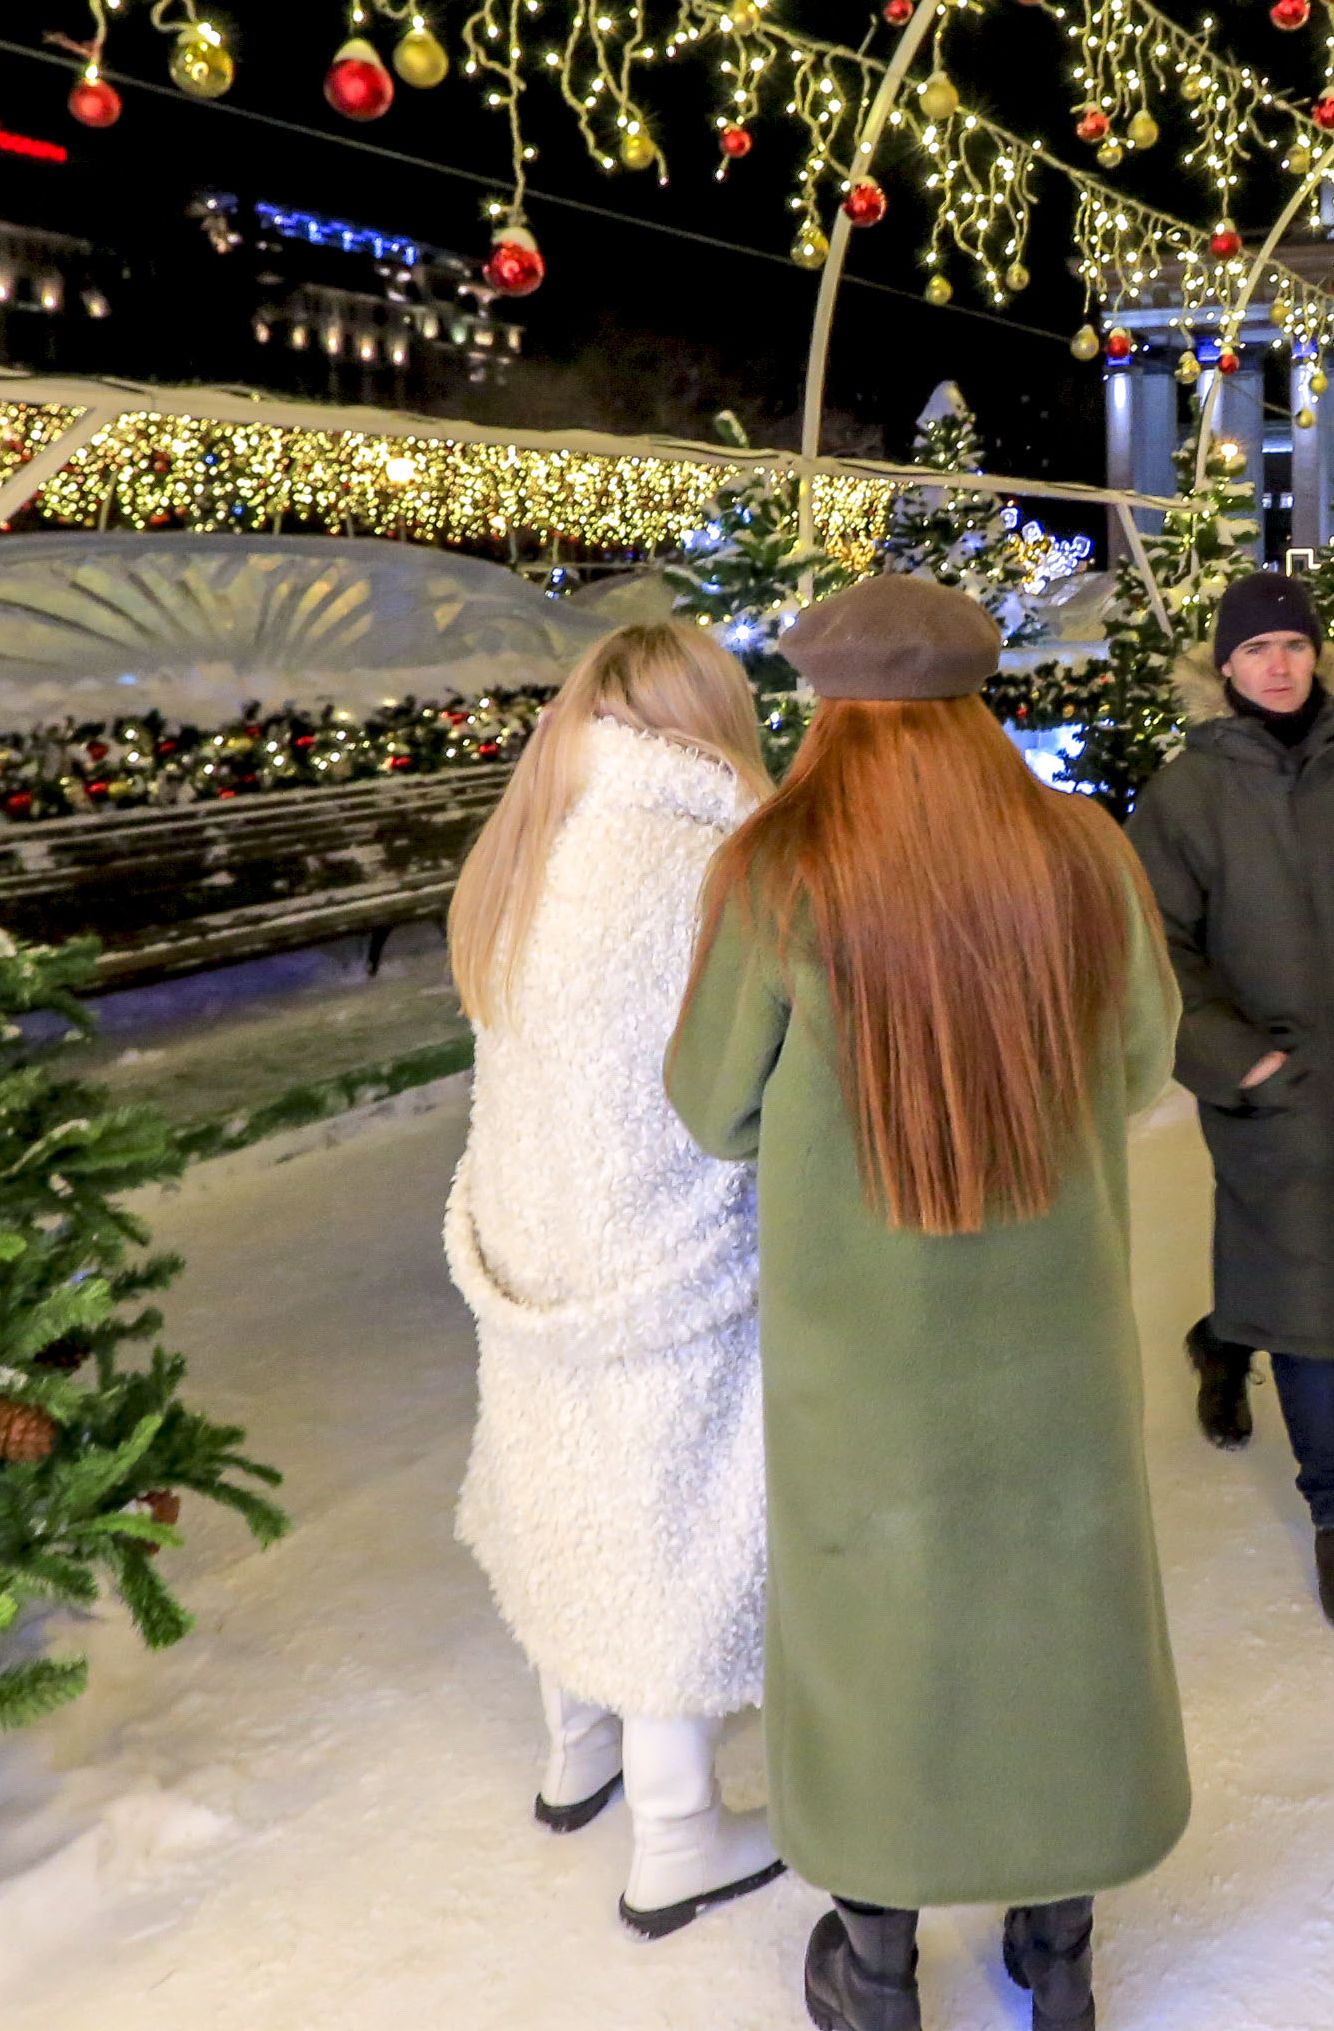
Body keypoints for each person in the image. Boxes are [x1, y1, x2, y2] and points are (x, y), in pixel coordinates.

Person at [666, 575, 1187, 2031]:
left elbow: (713, 1107)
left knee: (877, 1634)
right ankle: (1061, 1955)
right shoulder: (1079, 846)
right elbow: (1145, 1065)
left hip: (864, 1358)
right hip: (1058, 1340)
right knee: (1055, 1619)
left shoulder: (780, 868)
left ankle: (880, 1972)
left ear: (828, 706)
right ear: (976, 692)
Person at [439, 621, 786, 1939]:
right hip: (668, 1252)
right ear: (710, 716)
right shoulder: (714, 861)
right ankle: (677, 1836)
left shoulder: (529, 844)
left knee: (558, 1497)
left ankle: (573, 1754)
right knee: (664, 1524)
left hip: (530, 1242)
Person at [1131, 570, 1334, 1634]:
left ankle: (1224, 1340)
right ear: (1222, 668)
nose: (1278, 664)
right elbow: (1157, 950)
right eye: (1256, 649)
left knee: (1322, 1255)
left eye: (1294, 646)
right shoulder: (1188, 794)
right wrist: (1236, 1060)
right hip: (1265, 1087)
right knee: (1311, 1288)